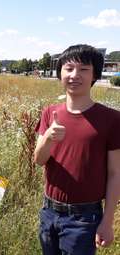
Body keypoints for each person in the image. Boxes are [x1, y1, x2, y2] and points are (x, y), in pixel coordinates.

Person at [34, 44, 120, 255]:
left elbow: (115, 174)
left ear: (94, 75)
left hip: (84, 218)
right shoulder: (50, 113)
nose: (74, 75)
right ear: (60, 73)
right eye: (69, 68)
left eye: (83, 69)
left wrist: (107, 222)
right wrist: (48, 137)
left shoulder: (111, 119)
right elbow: (39, 159)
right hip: (49, 212)